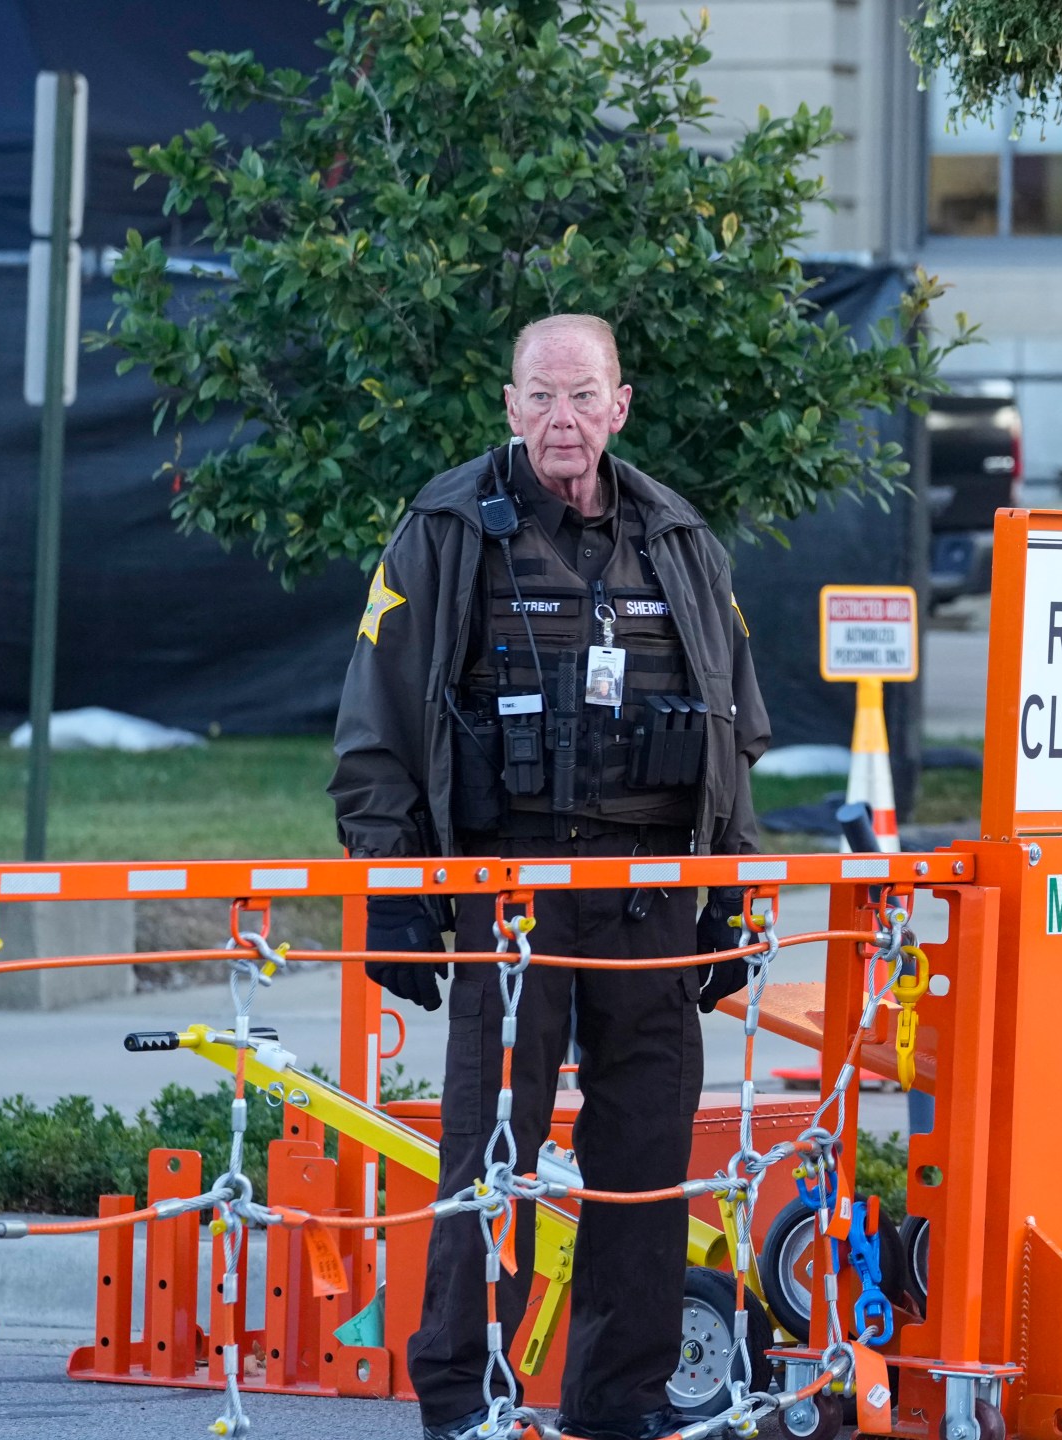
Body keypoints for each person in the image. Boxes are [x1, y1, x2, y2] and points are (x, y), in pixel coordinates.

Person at [330, 314, 768, 1440]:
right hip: (507, 901)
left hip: (651, 900)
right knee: (489, 1160)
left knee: (644, 1168)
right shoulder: (443, 529)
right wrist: (393, 889)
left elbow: (736, 733)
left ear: (620, 406)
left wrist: (733, 894)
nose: (561, 421)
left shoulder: (678, 538)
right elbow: (376, 730)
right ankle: (461, 1406)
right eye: (540, 399)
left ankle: (619, 1405)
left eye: (583, 398)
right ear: (510, 407)